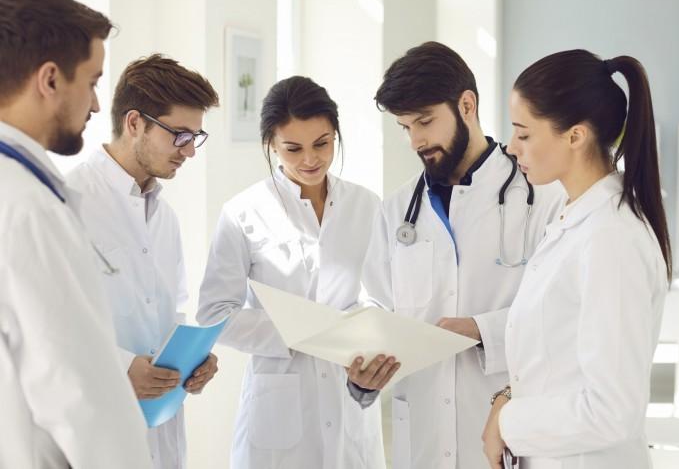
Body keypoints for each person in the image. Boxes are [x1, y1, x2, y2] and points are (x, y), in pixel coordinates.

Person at [347, 41, 565, 469]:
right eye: (405, 127)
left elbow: (560, 311)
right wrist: (362, 370)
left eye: (425, 122)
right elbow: (376, 303)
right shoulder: (396, 210)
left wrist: (482, 329)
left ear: (467, 104)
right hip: (424, 435)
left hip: (506, 427)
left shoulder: (543, 197)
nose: (416, 140)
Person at [481, 50, 670, 469]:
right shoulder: (575, 217)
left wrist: (507, 422)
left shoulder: (610, 238)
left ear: (575, 135)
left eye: (524, 134)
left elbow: (612, 410)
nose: (511, 148)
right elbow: (560, 356)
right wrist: (506, 399)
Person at [0, 0, 153, 468]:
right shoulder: (31, 208)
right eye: (90, 82)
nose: (93, 104)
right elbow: (78, 392)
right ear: (49, 80)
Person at [197, 76, 386, 469]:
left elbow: (384, 297)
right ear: (270, 144)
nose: (310, 160)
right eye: (293, 148)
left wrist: (365, 333)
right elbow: (214, 313)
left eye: (322, 143)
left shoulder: (366, 206)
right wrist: (302, 331)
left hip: (350, 393)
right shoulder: (244, 212)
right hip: (278, 407)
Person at [67, 54, 220, 468]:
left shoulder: (164, 217)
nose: (189, 152)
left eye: (195, 138)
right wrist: (120, 369)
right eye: (180, 135)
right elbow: (42, 326)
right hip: (96, 436)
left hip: (162, 430)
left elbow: (168, 315)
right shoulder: (67, 203)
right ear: (135, 123)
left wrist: (194, 363)